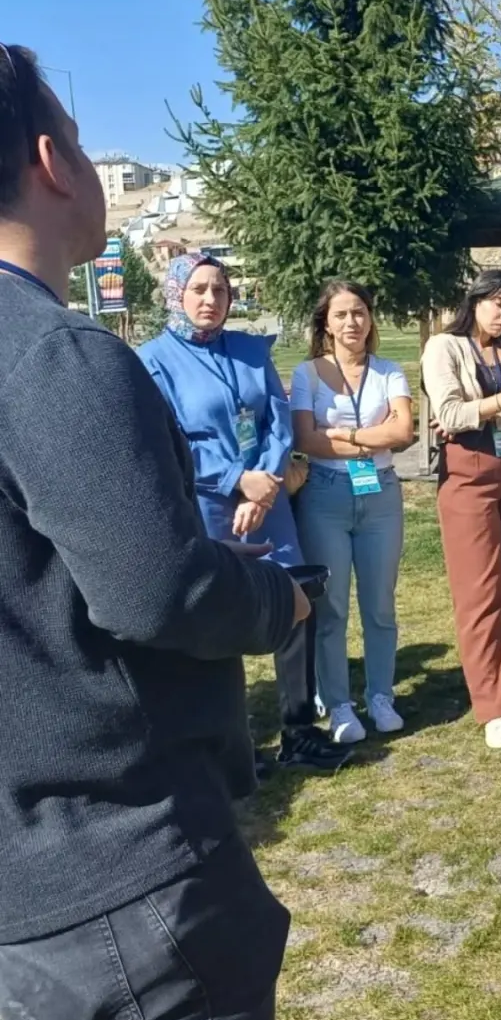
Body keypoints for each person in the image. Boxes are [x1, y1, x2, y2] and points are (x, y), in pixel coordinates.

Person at [0, 43, 306, 1020]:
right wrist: (278, 604)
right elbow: (156, 587)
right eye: (80, 139)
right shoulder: (50, 355)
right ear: (51, 160)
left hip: (23, 876)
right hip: (120, 866)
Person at [139, 253, 350, 773]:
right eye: (199, 290)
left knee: (296, 602)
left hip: (269, 500)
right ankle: (229, 745)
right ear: (176, 295)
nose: (211, 300)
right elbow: (168, 440)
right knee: (217, 618)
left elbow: (277, 422)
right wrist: (235, 481)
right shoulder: (154, 361)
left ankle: (300, 729)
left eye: (220, 290)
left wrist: (262, 486)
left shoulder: (252, 351)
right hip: (208, 508)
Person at [422, 270, 501, 749]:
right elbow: (448, 414)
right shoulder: (443, 348)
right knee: (480, 590)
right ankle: (491, 705)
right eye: (497, 303)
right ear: (474, 301)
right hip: (466, 475)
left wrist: (484, 408)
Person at [290, 280, 414, 744]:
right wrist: (370, 434)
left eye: (359, 312)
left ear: (371, 318)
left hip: (381, 494)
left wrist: (347, 437)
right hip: (324, 496)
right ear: (326, 322)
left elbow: (403, 431)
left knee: (380, 604)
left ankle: (381, 695)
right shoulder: (308, 374)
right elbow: (304, 438)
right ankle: (339, 704)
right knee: (333, 607)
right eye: (341, 314)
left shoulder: (388, 371)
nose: (351, 323)